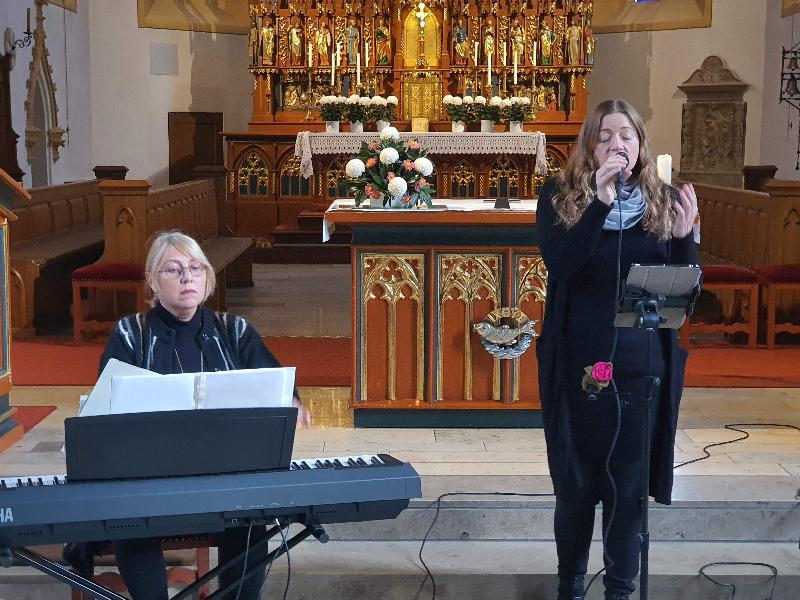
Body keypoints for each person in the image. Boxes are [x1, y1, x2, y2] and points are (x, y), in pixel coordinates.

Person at [79, 230, 311, 600]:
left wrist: (293, 402)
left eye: (195, 268)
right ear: (152, 282)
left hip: (221, 480)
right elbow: (106, 410)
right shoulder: (130, 334)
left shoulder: (234, 331)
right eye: (173, 270)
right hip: (150, 482)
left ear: (207, 278)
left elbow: (275, 387)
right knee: (129, 517)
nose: (187, 277)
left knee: (252, 519)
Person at [535, 99, 699, 600]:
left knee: (628, 491)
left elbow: (682, 291)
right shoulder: (558, 197)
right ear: (590, 145)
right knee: (578, 485)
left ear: (641, 144)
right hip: (578, 361)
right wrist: (600, 204)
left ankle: (621, 589)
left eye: (626, 135)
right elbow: (561, 265)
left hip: (639, 364)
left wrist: (684, 240)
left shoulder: (663, 201)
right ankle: (570, 586)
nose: (617, 145)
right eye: (605, 136)